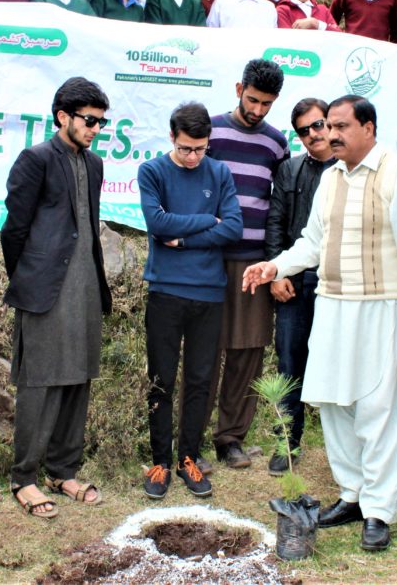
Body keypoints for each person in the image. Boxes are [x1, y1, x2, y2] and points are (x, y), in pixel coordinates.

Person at [242, 95, 397, 552]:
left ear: (369, 127)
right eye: (328, 126)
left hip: (384, 308)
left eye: (342, 126)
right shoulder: (330, 179)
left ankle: (379, 510)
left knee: (379, 408)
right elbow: (312, 243)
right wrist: (276, 268)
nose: (331, 135)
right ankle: (352, 494)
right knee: (333, 403)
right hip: (331, 305)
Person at [1, 77, 112, 518]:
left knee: (78, 378)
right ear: (63, 116)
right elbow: (14, 231)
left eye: (101, 122)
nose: (95, 129)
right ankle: (23, 477)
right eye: (89, 120)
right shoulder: (36, 159)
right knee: (40, 384)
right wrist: (29, 279)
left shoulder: (96, 164)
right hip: (45, 290)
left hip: (85, 284)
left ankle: (62, 470)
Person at [138, 102, 242, 501]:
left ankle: (188, 458)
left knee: (200, 380)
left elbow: (233, 227)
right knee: (161, 380)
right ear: (171, 137)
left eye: (200, 148)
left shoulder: (219, 172)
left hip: (209, 293)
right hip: (165, 291)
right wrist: (206, 220)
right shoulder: (152, 171)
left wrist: (184, 239)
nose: (194, 156)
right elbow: (156, 223)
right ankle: (160, 461)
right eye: (186, 148)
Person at [201, 58, 288, 471]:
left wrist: (276, 264)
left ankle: (231, 438)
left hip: (255, 261)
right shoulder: (211, 131)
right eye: (252, 100)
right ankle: (191, 435)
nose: (257, 110)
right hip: (208, 258)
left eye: (266, 104)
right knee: (205, 349)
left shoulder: (277, 143)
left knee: (248, 350)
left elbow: (280, 206)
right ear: (239, 88)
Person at [263, 98, 336, 475]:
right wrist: (277, 275)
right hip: (293, 285)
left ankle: (344, 448)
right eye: (304, 130)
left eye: (318, 125)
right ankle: (286, 441)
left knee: (338, 362)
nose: (313, 135)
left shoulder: (349, 169)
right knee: (289, 361)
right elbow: (275, 223)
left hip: (339, 286)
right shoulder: (289, 170)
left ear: (331, 124)